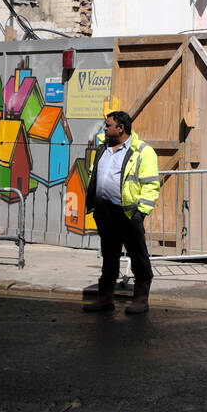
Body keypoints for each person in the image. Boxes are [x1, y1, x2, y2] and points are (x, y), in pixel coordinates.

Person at [82, 111, 160, 314]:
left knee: (138, 256)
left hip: (127, 214)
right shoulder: (102, 148)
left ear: (121, 128)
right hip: (104, 211)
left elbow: (151, 184)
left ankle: (141, 300)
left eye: (108, 125)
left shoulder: (142, 151)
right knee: (109, 256)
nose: (104, 128)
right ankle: (105, 299)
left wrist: (140, 213)